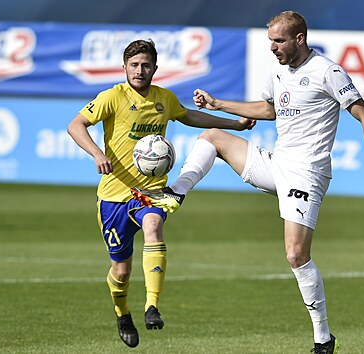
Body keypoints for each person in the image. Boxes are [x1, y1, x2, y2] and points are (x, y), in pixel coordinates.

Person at [131, 11, 364, 354]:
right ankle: (175, 192)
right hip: (277, 163)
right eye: (271, 40)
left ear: (299, 39)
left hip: (307, 172)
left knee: (296, 255)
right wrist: (219, 104)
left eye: (279, 40)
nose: (273, 47)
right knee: (213, 136)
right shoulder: (278, 71)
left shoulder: (327, 71)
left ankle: (322, 338)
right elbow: (270, 109)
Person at [67, 39, 255, 348]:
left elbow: (190, 117)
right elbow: (76, 125)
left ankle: (152, 305)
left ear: (155, 68)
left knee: (154, 227)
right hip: (114, 196)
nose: (140, 71)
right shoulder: (112, 97)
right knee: (122, 270)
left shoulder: (163, 99)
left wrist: (234, 124)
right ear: (124, 67)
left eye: (145, 65)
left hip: (150, 192)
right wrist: (97, 154)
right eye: (134, 65)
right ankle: (122, 312)